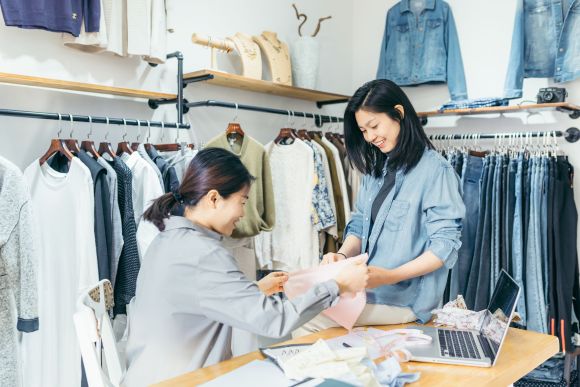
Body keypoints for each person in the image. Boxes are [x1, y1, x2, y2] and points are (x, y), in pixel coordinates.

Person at [123, 148, 368, 386]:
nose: (242, 213)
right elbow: (275, 320)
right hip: (182, 380)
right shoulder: (205, 253)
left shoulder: (167, 240)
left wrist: (253, 289)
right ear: (214, 198)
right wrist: (338, 285)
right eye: (242, 201)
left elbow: (197, 298)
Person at [295, 79, 465, 336]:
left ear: (398, 113)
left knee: (304, 317)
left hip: (405, 300)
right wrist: (340, 256)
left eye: (374, 126)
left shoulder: (436, 171)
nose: (370, 137)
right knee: (302, 300)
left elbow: (444, 246)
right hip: (367, 291)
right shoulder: (376, 170)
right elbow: (359, 223)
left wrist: (389, 276)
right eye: (363, 130)